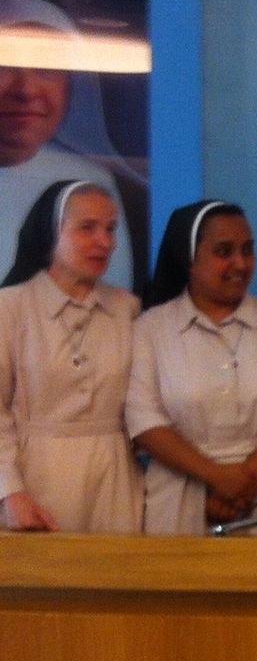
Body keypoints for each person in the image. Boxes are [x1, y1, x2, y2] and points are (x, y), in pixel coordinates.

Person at [126, 200, 257, 535]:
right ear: (189, 258)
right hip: (182, 496)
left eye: (248, 250)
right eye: (224, 251)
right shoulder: (150, 329)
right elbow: (144, 420)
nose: (241, 263)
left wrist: (245, 479)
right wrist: (217, 477)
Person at [0, 180, 142, 531]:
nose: (104, 242)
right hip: (36, 477)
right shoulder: (10, 308)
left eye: (110, 229)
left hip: (115, 479)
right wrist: (9, 492)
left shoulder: (127, 308)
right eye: (87, 228)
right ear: (53, 232)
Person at [0, 0, 144, 293]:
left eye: (47, 66)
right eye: (4, 64)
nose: (26, 90)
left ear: (70, 83)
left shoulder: (127, 199)